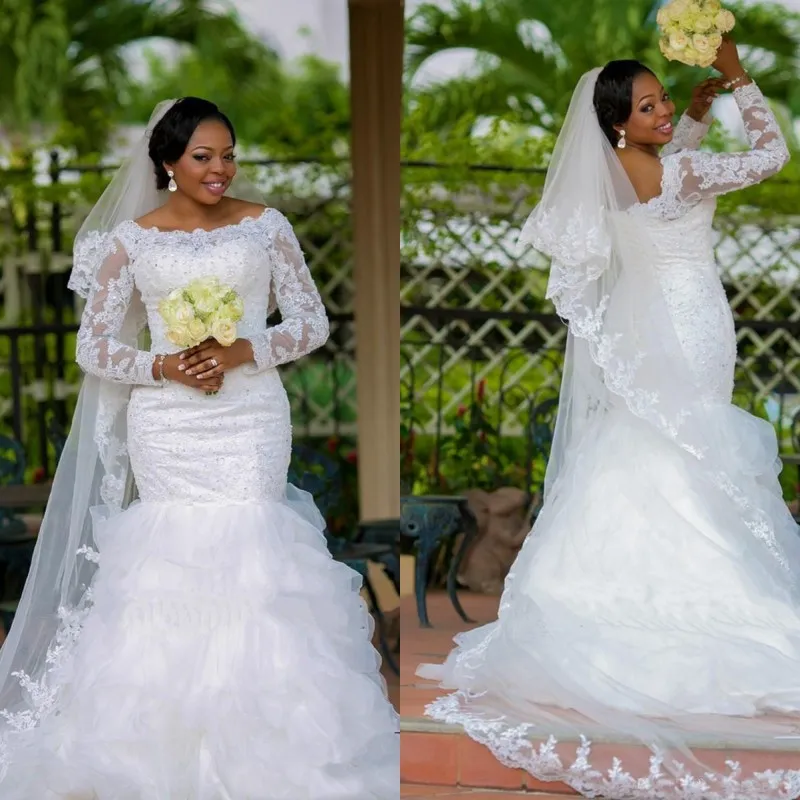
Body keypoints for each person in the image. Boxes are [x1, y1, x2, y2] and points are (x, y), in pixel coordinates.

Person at [417, 38, 800, 800]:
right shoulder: (682, 170)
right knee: (687, 446)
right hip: (691, 323)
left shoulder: (618, 171)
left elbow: (659, 187)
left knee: (649, 444)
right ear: (621, 122)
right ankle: (704, 598)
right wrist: (734, 75)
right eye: (649, 106)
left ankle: (602, 597)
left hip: (640, 320)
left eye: (663, 100)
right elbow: (773, 155)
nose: (663, 111)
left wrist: (687, 121)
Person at [0, 97, 399, 798]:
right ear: (166, 164)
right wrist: (164, 365)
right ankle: (158, 750)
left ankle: (273, 748)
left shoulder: (265, 227)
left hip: (248, 415)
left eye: (229, 155)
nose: (220, 170)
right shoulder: (131, 241)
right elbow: (91, 346)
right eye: (202, 158)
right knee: (170, 556)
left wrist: (243, 347)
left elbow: (311, 322)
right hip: (169, 424)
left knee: (253, 546)